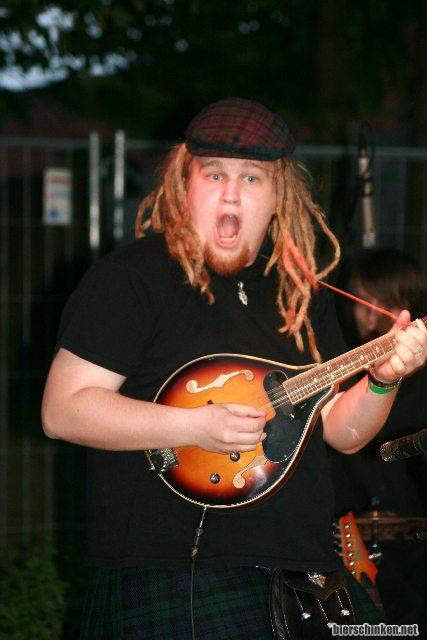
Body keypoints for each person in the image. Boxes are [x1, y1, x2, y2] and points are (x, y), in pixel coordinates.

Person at [41, 98, 427, 640]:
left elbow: (342, 431)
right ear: (185, 182)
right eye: (215, 174)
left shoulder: (300, 292)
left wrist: (385, 379)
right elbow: (62, 410)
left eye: (251, 178)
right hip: (171, 575)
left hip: (303, 570)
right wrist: (194, 425)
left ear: (277, 195)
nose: (230, 194)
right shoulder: (130, 279)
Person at [330, 248, 427, 633]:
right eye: (363, 303)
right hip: (345, 539)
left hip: (414, 544)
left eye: (384, 306)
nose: (371, 319)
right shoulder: (337, 365)